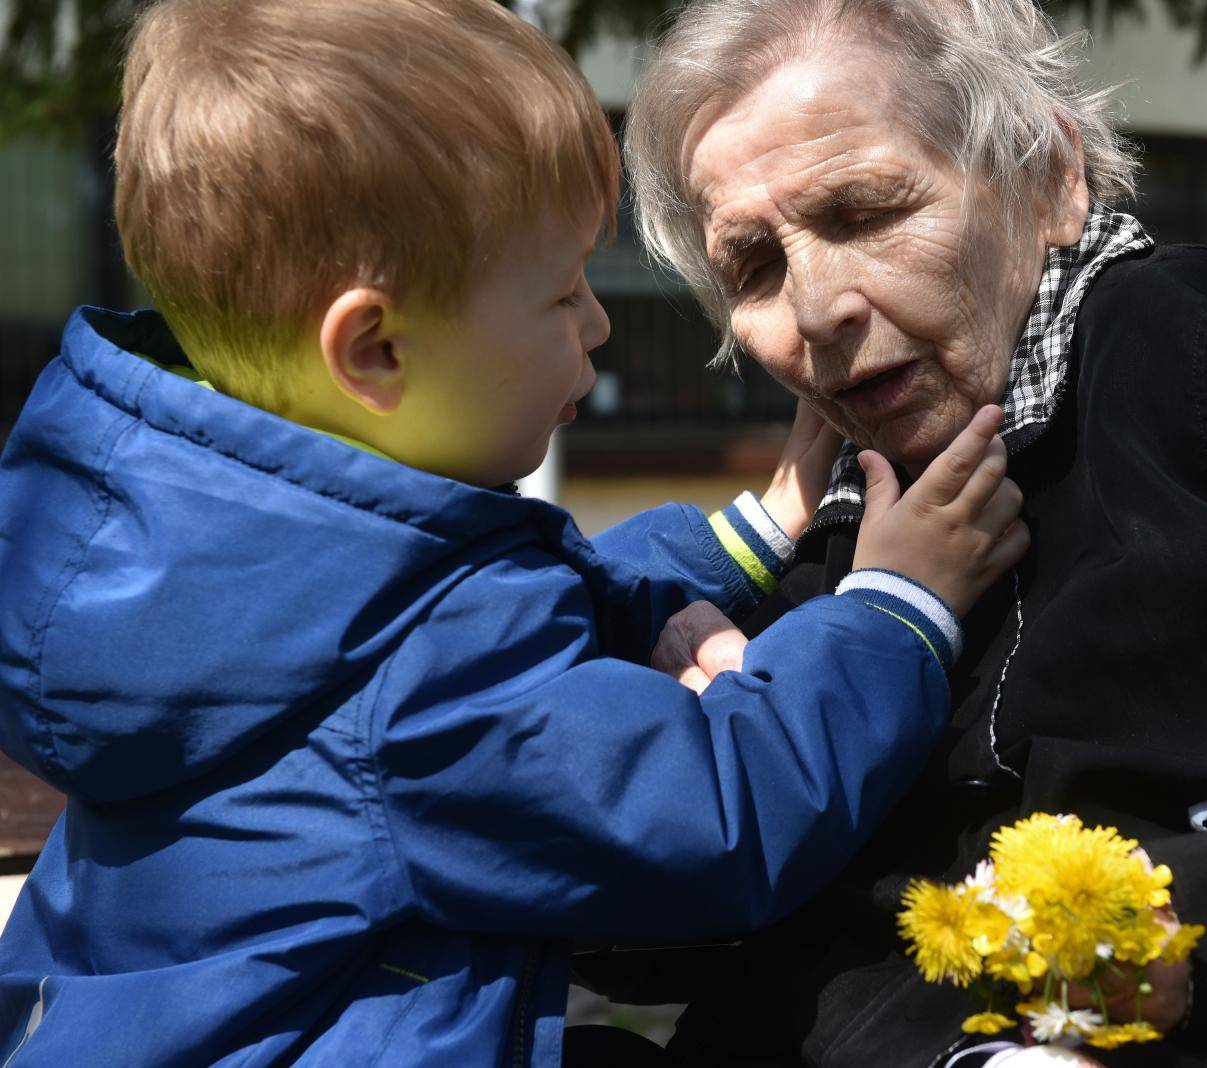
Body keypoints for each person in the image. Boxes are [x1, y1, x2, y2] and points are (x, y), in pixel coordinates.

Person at [0, 2, 1031, 1065]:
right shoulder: (420, 683)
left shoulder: (225, 558)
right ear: (377, 352)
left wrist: (741, 540)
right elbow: (710, 815)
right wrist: (895, 608)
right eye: (559, 293)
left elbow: (507, 609)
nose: (597, 322)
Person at [612, 0, 1207, 1063]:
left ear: (1050, 179)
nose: (814, 312)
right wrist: (682, 756)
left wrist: (1192, 930)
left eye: (860, 213)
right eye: (754, 267)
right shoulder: (833, 532)